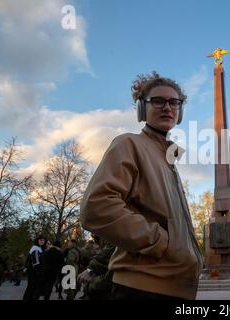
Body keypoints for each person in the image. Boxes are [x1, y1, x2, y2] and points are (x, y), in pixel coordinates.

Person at [80, 71, 202, 300]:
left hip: (172, 287)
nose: (167, 107)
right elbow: (96, 207)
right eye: (158, 101)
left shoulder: (168, 159)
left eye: (174, 102)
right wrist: (159, 242)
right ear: (141, 109)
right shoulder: (129, 144)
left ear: (180, 111)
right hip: (144, 287)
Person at [23, 235, 46, 300]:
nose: (42, 241)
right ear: (37, 240)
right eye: (40, 240)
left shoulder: (37, 248)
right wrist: (40, 272)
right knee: (32, 289)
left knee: (31, 288)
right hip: (34, 273)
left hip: (33, 272)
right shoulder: (36, 249)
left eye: (43, 240)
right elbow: (36, 263)